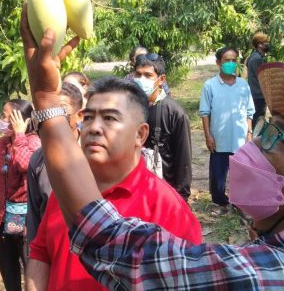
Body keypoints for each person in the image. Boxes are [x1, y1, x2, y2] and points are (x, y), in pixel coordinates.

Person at [19, 4, 284, 289]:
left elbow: (110, 240)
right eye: (264, 130)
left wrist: (47, 100)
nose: (256, 148)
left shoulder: (271, 276)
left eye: (273, 138)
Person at [25, 76, 202, 291]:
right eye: (88, 117)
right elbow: (41, 253)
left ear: (140, 134)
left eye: (109, 118)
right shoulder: (65, 191)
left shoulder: (168, 208)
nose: (94, 128)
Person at [0, 99, 41, 291]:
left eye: (6, 116)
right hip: (6, 215)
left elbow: (25, 164)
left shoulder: (34, 141)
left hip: (28, 220)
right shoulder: (2, 143)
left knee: (30, 265)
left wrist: (19, 135)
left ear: (21, 121)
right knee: (7, 264)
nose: (1, 120)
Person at [25, 82, 83, 246]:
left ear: (80, 115)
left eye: (62, 110)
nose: (54, 117)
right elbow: (35, 217)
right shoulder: (38, 159)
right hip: (51, 250)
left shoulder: (94, 155)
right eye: (48, 111)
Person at [200, 47, 255, 214]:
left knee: (240, 175)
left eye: (234, 60)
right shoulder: (210, 86)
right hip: (219, 139)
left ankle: (239, 202)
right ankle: (220, 202)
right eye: (226, 60)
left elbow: (249, 111)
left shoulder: (243, 85)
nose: (231, 64)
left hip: (239, 139)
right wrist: (208, 136)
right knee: (218, 176)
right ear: (218, 63)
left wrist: (249, 133)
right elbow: (205, 113)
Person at [132, 53, 193, 201]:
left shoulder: (174, 113)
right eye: (138, 75)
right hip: (134, 188)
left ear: (161, 79)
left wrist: (181, 198)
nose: (142, 80)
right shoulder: (129, 107)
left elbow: (183, 160)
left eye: (148, 75)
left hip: (163, 191)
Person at [246, 32, 271, 123]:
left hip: (255, 92)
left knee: (255, 118)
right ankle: (253, 136)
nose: (268, 44)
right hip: (258, 94)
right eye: (266, 43)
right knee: (258, 119)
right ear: (260, 45)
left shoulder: (254, 56)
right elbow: (261, 77)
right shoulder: (257, 59)